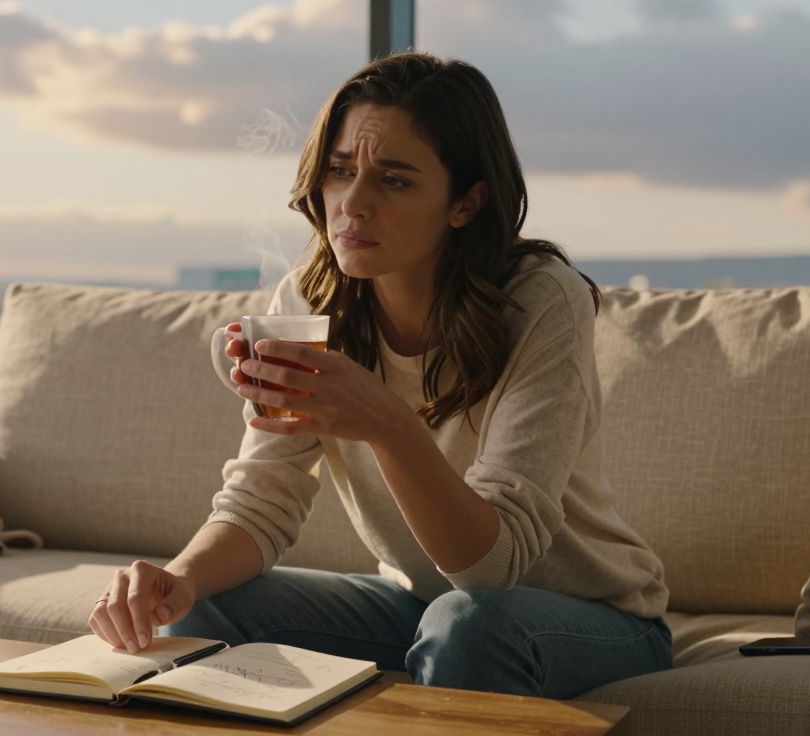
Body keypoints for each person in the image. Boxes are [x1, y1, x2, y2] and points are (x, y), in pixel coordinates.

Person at [87, 51, 672, 698]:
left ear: (466, 202)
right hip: (420, 606)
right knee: (203, 612)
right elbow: (262, 501)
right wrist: (181, 579)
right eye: (340, 171)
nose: (353, 204)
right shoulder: (311, 303)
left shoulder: (540, 302)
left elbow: (495, 566)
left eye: (393, 180)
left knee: (469, 625)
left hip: (586, 621)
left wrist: (388, 424)